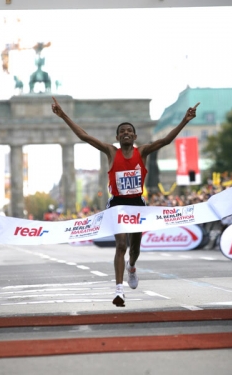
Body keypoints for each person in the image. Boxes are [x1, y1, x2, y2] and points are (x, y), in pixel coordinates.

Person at [51, 96, 200, 307]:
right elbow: (84, 136)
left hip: (137, 204)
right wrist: (63, 115)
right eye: (122, 132)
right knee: (120, 245)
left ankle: (132, 267)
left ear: (135, 136)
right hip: (117, 204)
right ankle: (119, 290)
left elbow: (165, 141)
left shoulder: (144, 151)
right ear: (117, 137)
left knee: (134, 248)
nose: (126, 133)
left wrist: (185, 120)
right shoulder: (111, 152)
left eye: (129, 130)